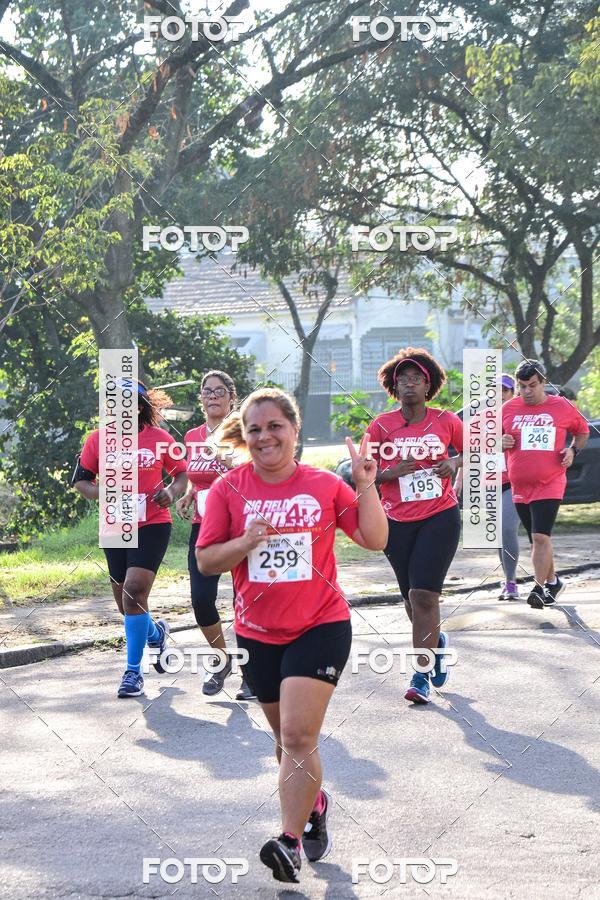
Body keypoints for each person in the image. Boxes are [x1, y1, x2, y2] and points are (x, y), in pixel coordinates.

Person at [195, 388, 388, 883]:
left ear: (294, 430)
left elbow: (374, 540)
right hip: (258, 633)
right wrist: (246, 541)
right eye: (255, 429)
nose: (264, 437)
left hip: (320, 625)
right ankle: (314, 803)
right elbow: (206, 560)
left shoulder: (324, 485)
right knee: (286, 743)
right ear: (245, 435)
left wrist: (367, 485)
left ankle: (288, 841)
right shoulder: (227, 491)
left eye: (274, 426)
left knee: (300, 735)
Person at [72, 381, 188, 698]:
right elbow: (82, 483)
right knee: (126, 603)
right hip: (116, 524)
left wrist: (171, 491)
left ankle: (133, 673)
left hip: (152, 522)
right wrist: (107, 493)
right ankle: (156, 633)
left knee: (135, 591)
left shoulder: (160, 439)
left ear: (139, 407)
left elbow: (182, 474)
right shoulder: (97, 440)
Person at [367, 348, 463, 705]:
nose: (408, 383)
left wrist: (454, 461)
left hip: (439, 516)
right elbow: (364, 470)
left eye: (416, 378)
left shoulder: (446, 420)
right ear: (394, 387)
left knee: (424, 596)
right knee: (412, 600)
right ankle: (436, 644)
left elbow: (478, 449)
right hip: (397, 521)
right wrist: (389, 473)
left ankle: (420, 675)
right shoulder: (380, 426)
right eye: (402, 379)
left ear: (428, 385)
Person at [175, 371, 255, 700]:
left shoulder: (243, 429)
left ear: (231, 397)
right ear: (200, 398)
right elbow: (196, 474)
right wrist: (190, 494)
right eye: (207, 391)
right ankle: (220, 659)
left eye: (220, 391)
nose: (213, 396)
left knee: (245, 601)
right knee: (201, 598)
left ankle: (251, 674)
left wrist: (231, 458)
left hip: (240, 525)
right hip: (205, 525)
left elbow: (256, 468)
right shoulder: (193, 434)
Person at [502, 359, 589, 608]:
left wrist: (573, 451)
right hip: (519, 485)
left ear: (543, 382)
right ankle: (554, 582)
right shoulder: (508, 408)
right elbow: (491, 439)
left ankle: (539, 589)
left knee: (540, 537)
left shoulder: (561, 407)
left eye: (532, 385)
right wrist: (501, 442)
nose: (526, 391)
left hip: (550, 482)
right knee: (537, 540)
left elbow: (582, 432)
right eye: (522, 386)